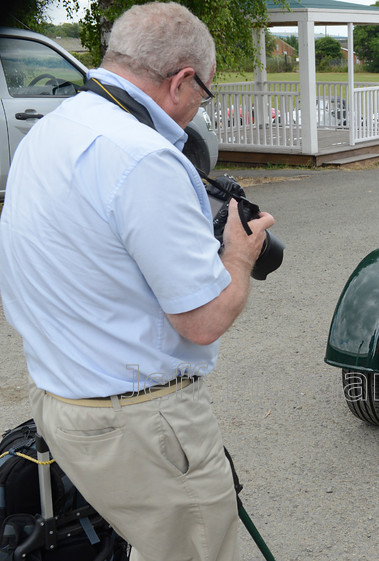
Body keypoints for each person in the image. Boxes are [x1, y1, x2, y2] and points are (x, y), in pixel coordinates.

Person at [0, 3, 274, 560]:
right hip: (137, 422)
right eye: (206, 91)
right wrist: (239, 258)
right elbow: (202, 320)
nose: (200, 105)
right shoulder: (143, 158)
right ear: (181, 80)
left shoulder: (53, 129)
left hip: (63, 401)